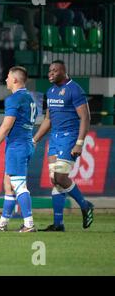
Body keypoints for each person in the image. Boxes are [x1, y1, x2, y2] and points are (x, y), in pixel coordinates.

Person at [33, 60, 94, 231]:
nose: (50, 73)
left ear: (63, 71)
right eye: (49, 71)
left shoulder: (75, 90)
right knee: (55, 180)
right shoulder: (50, 91)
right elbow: (48, 119)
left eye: (54, 70)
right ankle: (58, 224)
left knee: (60, 177)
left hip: (70, 138)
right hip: (55, 139)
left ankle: (84, 204)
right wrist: (35, 139)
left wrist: (79, 143)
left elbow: (85, 118)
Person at [0, 66, 37, 232]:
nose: (6, 79)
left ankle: (29, 224)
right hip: (26, 143)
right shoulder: (29, 98)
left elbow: (7, 125)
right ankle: (2, 223)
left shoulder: (13, 99)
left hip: (17, 146)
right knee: (8, 183)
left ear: (15, 79)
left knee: (18, 185)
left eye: (8, 77)